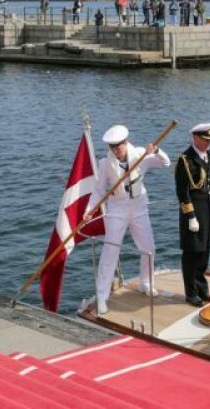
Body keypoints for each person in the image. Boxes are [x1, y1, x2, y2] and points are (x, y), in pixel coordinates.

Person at [87, 125, 171, 315]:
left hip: (139, 208)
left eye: (118, 146)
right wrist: (88, 211)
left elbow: (166, 163)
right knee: (110, 252)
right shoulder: (105, 164)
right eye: (112, 147)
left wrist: (156, 151)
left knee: (148, 248)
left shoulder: (141, 154)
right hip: (117, 210)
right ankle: (102, 296)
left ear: (126, 142)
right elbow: (99, 191)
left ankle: (146, 283)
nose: (116, 150)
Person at [174, 123, 210, 307]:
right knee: (191, 254)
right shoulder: (186, 160)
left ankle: (202, 289)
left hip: (207, 212)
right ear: (196, 138)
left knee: (204, 253)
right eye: (206, 140)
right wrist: (190, 216)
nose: (209, 144)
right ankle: (191, 293)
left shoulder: (208, 156)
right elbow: (183, 192)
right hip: (193, 214)